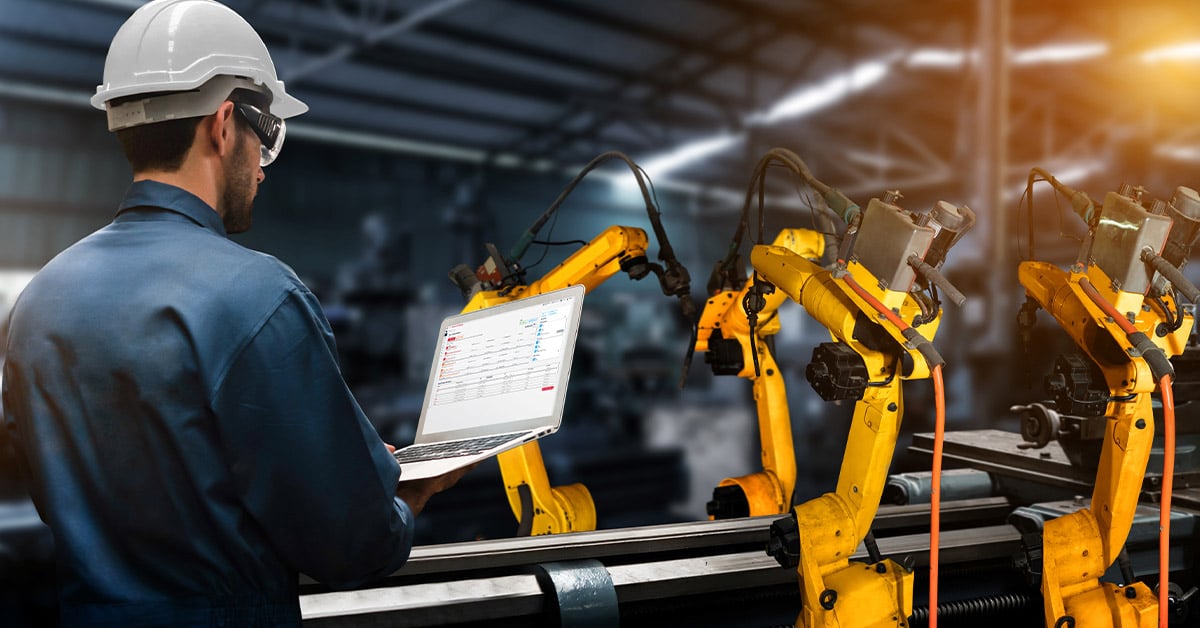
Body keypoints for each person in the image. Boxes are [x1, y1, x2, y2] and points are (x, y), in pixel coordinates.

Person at [0, 1, 468, 625]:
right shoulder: (257, 295)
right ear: (224, 126)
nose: (262, 170)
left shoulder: (41, 300)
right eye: (263, 137)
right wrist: (405, 493)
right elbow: (350, 546)